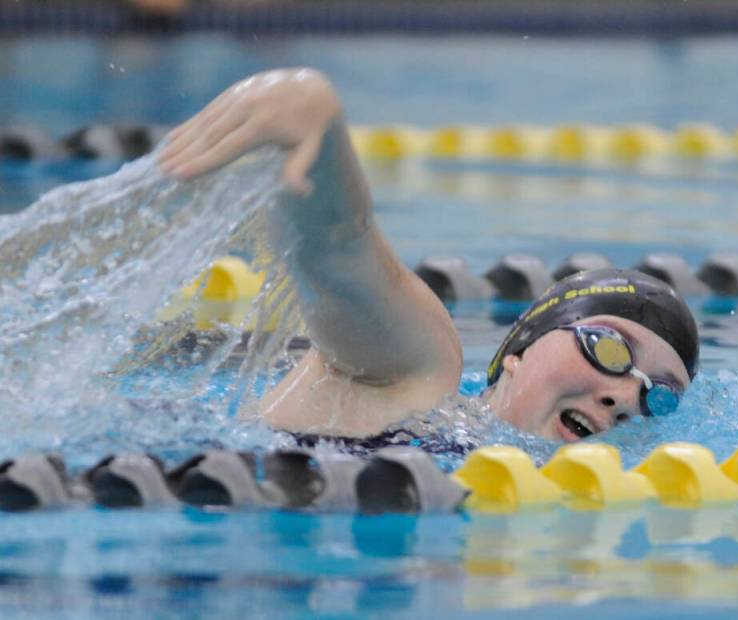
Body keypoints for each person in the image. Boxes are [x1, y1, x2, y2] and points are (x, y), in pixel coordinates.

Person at [158, 68, 699, 444]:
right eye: (608, 348)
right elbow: (340, 257)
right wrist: (316, 127)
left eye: (661, 398)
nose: (626, 396)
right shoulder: (416, 376)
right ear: (519, 351)